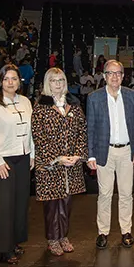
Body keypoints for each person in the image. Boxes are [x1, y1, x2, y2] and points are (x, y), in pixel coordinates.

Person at [0, 64, 35, 265]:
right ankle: (3, 249)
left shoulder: (25, 102)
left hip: (23, 157)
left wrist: (32, 154)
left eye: (14, 78)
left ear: (20, 81)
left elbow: (31, 131)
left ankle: (14, 242)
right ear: (0, 81)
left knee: (20, 203)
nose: (10, 82)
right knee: (4, 205)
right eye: (6, 79)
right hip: (3, 159)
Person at [86, 60, 134, 249]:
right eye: (110, 73)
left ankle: (126, 231)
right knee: (105, 194)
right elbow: (90, 128)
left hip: (127, 151)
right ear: (104, 76)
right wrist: (91, 155)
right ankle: (103, 232)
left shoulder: (132, 95)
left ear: (123, 76)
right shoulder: (94, 98)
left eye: (118, 73)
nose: (114, 76)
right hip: (104, 152)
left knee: (126, 193)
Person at [32, 68, 87, 256]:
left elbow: (82, 132)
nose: (58, 84)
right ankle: (52, 239)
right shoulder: (40, 108)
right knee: (51, 205)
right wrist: (58, 158)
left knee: (66, 203)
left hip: (71, 165)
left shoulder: (75, 106)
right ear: (47, 83)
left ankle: (63, 236)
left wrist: (77, 155)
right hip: (51, 165)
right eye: (54, 80)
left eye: (61, 80)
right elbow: (39, 138)